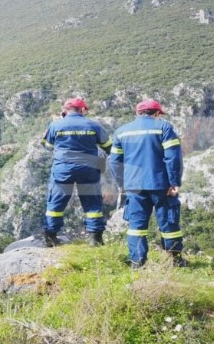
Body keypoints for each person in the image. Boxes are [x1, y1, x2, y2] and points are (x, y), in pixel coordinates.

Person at [108, 99, 186, 269]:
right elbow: (172, 157)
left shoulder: (121, 132)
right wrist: (174, 182)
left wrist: (122, 182)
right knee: (168, 223)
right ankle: (176, 261)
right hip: (161, 185)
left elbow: (114, 161)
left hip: (134, 186)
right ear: (157, 113)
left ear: (137, 113)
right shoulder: (164, 128)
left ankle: (137, 262)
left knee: (136, 226)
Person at [41, 97, 112, 247]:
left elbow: (47, 146)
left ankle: (51, 237)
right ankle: (95, 239)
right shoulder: (93, 125)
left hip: (63, 170)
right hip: (88, 170)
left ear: (65, 111)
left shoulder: (56, 125)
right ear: (82, 110)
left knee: (56, 203)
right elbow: (108, 146)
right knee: (92, 204)